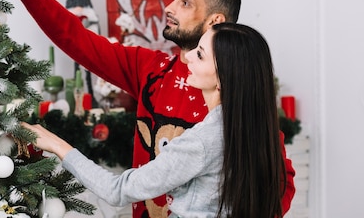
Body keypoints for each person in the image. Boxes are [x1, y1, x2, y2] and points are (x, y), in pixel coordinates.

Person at [0, 0, 295, 217]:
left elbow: (278, 184)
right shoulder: (150, 68)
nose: (169, 8)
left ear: (215, 20)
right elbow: (76, 39)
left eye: (184, 2)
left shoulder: (241, 104)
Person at [23, 23, 286, 218]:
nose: (188, 56)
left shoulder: (203, 141)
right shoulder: (254, 130)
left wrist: (57, 145)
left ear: (224, 79)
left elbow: (117, 190)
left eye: (201, 54)